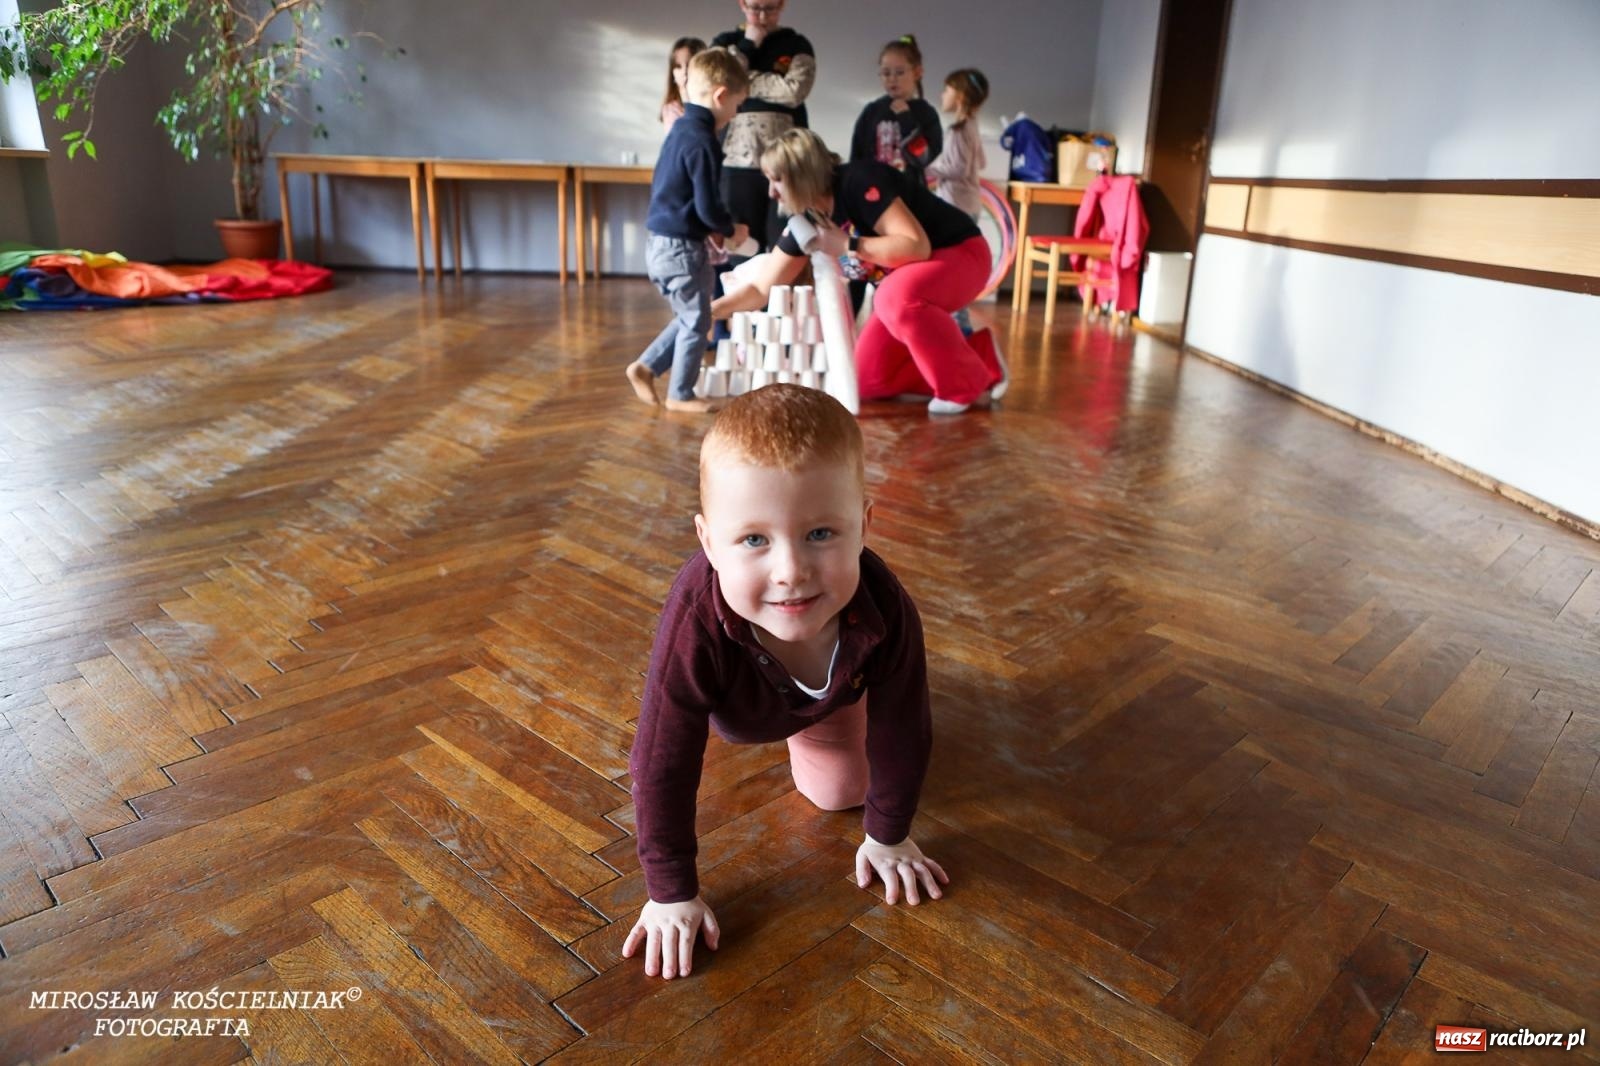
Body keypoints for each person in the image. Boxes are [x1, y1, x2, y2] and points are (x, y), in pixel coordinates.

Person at [623, 384, 949, 980]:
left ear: (863, 525)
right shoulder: (694, 616)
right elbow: (661, 757)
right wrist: (670, 891)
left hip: (833, 698)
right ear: (708, 542)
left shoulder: (884, 604)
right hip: (741, 710)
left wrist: (888, 835)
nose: (791, 572)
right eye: (753, 540)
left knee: (842, 794)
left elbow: (906, 724)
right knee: (704, 744)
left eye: (821, 533)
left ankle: (813, 729)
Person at [713, 128, 1009, 415]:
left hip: (962, 254)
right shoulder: (807, 219)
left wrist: (848, 244)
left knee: (892, 300)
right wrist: (710, 311)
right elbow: (761, 289)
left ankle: (962, 386)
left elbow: (916, 247)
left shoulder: (860, 181)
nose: (771, 192)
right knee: (867, 379)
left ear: (802, 176)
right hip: (907, 282)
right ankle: (981, 361)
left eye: (777, 180)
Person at [626, 49, 750, 414]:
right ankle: (681, 394)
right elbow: (707, 205)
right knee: (699, 320)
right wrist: (730, 229)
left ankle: (645, 367)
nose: (735, 114)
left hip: (659, 245)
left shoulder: (680, 129)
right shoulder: (703, 141)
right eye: (737, 105)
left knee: (692, 316)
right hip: (682, 250)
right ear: (721, 96)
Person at [710, 1, 816, 251]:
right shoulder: (726, 42)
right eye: (755, 7)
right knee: (742, 245)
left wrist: (745, 81)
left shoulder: (797, 44)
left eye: (770, 8)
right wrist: (747, 45)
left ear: (781, 6)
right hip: (736, 163)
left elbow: (794, 91)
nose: (761, 15)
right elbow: (719, 81)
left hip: (787, 163)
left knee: (786, 242)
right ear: (742, 4)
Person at [925, 67, 990, 332]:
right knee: (957, 274)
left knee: (951, 276)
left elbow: (958, 169)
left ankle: (961, 333)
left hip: (955, 208)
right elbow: (980, 162)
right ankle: (959, 331)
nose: (942, 94)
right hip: (970, 205)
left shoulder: (957, 131)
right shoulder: (973, 128)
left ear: (960, 96)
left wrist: (927, 170)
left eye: (947, 89)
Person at [849, 35, 942, 188]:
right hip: (875, 193)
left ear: (917, 72)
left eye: (899, 72)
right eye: (886, 73)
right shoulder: (872, 111)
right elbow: (857, 156)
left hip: (910, 196)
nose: (892, 79)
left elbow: (923, 158)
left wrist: (906, 119)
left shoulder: (926, 113)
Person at [660, 36, 707, 129]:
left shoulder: (717, 103)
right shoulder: (672, 110)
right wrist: (685, 94)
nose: (684, 71)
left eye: (689, 65)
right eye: (678, 66)